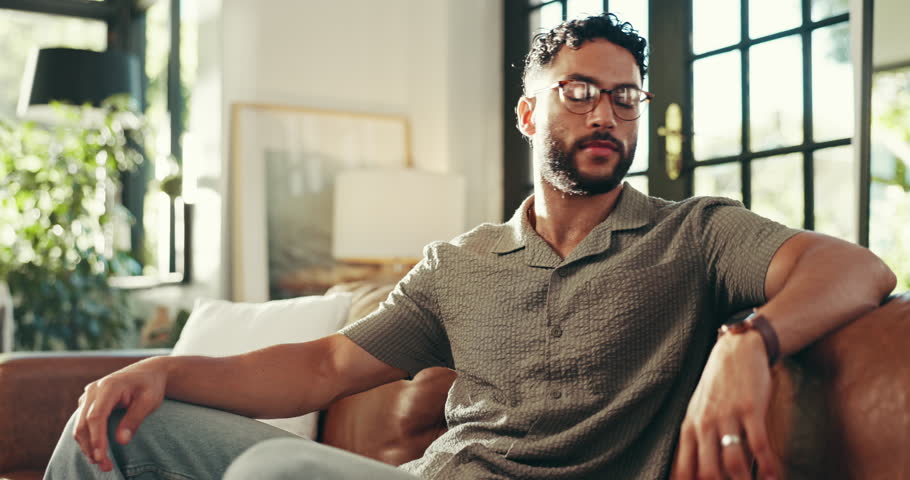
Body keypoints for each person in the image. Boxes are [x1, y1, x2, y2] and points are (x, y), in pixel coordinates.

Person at [45, 13, 895, 480]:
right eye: (580, 92)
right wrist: (159, 370)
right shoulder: (459, 263)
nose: (606, 115)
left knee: (277, 475)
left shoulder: (695, 234)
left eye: (626, 99)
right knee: (118, 424)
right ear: (529, 114)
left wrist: (748, 341)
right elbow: (323, 371)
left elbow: (859, 268)